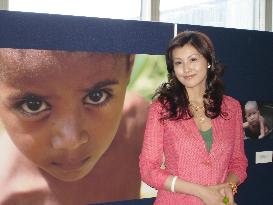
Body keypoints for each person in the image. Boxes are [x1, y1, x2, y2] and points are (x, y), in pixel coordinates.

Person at [0, 48, 150, 205]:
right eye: (33, 105)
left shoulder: (137, 125)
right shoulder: (7, 195)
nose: (71, 141)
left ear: (129, 66)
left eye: (96, 96)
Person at [139, 31, 248, 205]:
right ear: (173, 69)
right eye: (178, 63)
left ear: (209, 61)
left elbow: (238, 161)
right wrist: (201, 192)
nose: (186, 68)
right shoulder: (162, 108)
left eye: (193, 59)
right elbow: (148, 170)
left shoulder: (231, 107)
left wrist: (229, 185)